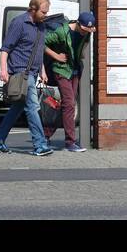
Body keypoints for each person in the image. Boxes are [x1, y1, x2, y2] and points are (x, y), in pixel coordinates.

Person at [0, 0, 52, 156]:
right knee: (33, 107)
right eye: (43, 12)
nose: (46, 15)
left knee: (17, 109)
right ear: (33, 9)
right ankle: (40, 144)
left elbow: (38, 51)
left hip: (32, 72)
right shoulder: (19, 23)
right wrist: (4, 70)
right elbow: (5, 49)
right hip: (20, 72)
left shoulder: (41, 26)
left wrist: (42, 70)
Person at [43, 11, 96, 153]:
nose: (86, 33)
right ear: (78, 24)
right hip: (61, 70)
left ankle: (45, 135)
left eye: (88, 30)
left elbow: (83, 46)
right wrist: (56, 56)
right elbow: (41, 43)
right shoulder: (62, 32)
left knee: (67, 105)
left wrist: (81, 55)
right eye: (84, 29)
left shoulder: (87, 33)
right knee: (70, 103)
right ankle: (70, 142)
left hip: (75, 71)